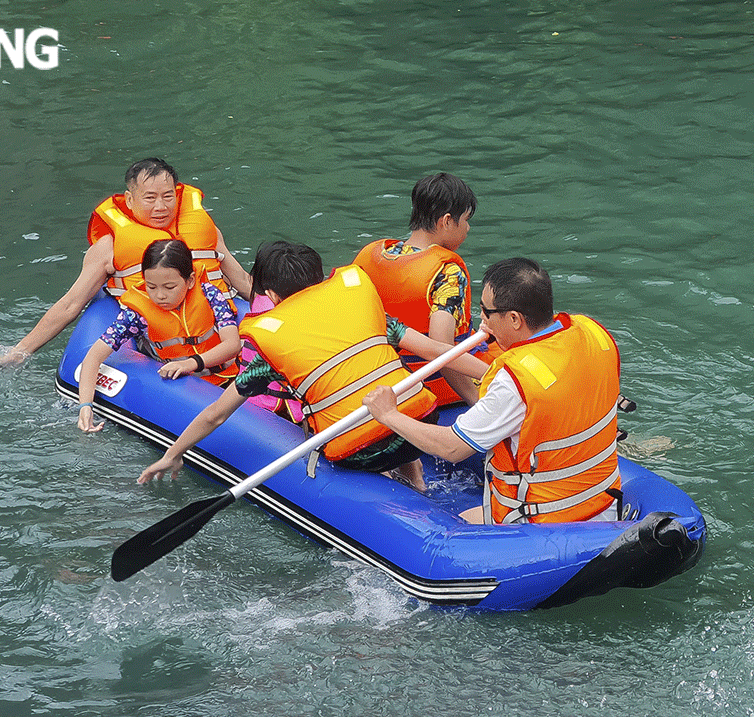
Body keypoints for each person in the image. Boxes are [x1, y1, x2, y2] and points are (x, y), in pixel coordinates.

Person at [137, 241, 488, 490]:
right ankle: (417, 481)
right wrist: (495, 373)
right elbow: (439, 352)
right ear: (319, 279)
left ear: (271, 296)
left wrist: (173, 454)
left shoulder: (272, 349)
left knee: (324, 414)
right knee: (382, 386)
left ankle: (387, 485)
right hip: (421, 423)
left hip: (359, 451)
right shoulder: (363, 309)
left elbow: (216, 413)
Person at [363, 257, 622, 525]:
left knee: (459, 521)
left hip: (544, 523)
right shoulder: (594, 335)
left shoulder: (514, 382)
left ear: (514, 319)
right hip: (603, 505)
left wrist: (389, 415)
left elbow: (451, 448)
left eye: (487, 312)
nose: (482, 320)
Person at [0, 157, 251, 366]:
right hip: (163, 342)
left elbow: (240, 280)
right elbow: (71, 304)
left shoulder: (205, 230)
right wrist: (21, 351)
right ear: (129, 199)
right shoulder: (109, 247)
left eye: (168, 196)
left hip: (220, 324)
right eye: (150, 198)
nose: (161, 206)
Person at [353, 172, 501, 406]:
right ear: (446, 221)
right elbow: (442, 352)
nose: (468, 228)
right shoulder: (447, 272)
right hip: (431, 385)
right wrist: (476, 400)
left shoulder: (370, 254)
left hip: (382, 374)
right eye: (465, 220)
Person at [76, 239, 241, 433]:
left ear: (190, 281)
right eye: (151, 287)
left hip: (228, 379)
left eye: (169, 287)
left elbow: (232, 344)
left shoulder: (210, 295)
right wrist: (85, 405)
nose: (160, 295)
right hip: (186, 391)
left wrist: (189, 363)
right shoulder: (136, 315)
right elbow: (93, 358)